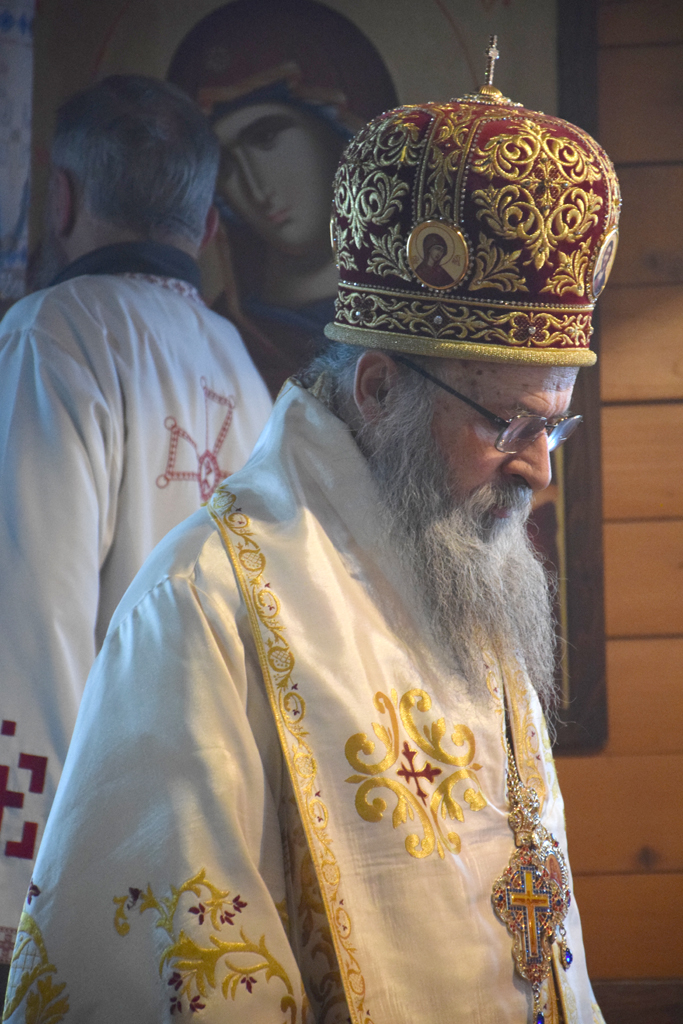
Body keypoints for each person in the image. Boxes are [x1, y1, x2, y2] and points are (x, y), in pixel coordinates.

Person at [3, 71, 621, 1024]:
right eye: (508, 425)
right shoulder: (204, 603)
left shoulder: (469, 573)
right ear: (376, 390)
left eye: (554, 427)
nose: (538, 469)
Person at [0, 74, 272, 978]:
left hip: (91, 855)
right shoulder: (241, 365)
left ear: (62, 196)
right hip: (221, 840)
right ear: (207, 226)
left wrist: (20, 893)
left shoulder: (53, 334)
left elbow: (29, 616)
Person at [167, 0, 397, 395]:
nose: (255, 188)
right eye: (225, 165)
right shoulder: (211, 343)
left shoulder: (415, 328)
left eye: (266, 137)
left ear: (345, 137)